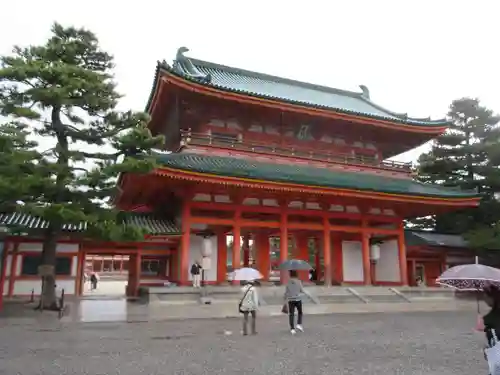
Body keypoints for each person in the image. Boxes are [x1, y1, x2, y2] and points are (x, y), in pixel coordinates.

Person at [284, 269, 310, 335]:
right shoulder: (299, 282)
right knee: (300, 312)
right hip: (298, 299)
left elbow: (286, 293)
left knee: (291, 314)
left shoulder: (288, 282)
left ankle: (292, 329)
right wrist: (308, 295)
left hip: (291, 300)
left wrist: (285, 300)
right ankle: (299, 324)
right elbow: (302, 290)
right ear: (296, 274)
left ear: (290, 275)